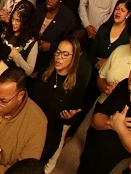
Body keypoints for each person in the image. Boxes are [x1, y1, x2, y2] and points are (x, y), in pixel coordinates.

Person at [79, 51, 131, 174]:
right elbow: (95, 119)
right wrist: (111, 122)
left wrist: (119, 127)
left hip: (115, 169)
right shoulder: (123, 84)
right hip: (90, 158)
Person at [29, 37, 89, 171]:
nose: (59, 57)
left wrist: (70, 117)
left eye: (65, 54)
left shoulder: (78, 83)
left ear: (74, 58)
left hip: (51, 134)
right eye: (58, 52)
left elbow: (75, 114)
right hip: (31, 127)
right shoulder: (45, 72)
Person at [34, 0, 77, 75]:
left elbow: (69, 44)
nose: (49, 0)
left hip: (51, 61)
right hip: (32, 55)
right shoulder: (40, 8)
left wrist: (51, 47)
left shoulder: (68, 18)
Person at [89, 0, 131, 79]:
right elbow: (91, 50)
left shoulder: (129, 35)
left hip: (113, 75)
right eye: (117, 9)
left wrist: (107, 62)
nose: (118, 12)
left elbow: (125, 59)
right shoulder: (104, 28)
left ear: (128, 15)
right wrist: (96, 63)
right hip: (94, 72)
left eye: (122, 10)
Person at [1, 1, 40, 76]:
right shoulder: (7, 32)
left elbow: (29, 71)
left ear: (26, 22)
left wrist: (16, 56)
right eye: (13, 19)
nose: (13, 23)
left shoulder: (31, 43)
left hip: (13, 79)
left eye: (18, 20)